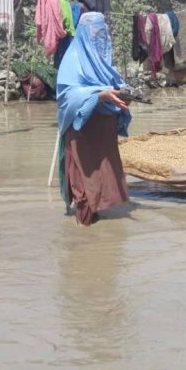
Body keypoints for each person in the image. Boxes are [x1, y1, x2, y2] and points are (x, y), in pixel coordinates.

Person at [56, 12, 131, 225]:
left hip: (103, 129)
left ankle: (99, 237)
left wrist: (122, 95)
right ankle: (84, 241)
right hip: (82, 131)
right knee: (84, 179)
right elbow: (68, 96)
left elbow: (114, 85)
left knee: (103, 174)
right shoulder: (72, 61)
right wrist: (99, 95)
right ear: (84, 35)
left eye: (103, 35)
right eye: (96, 34)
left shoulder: (102, 63)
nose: (101, 40)